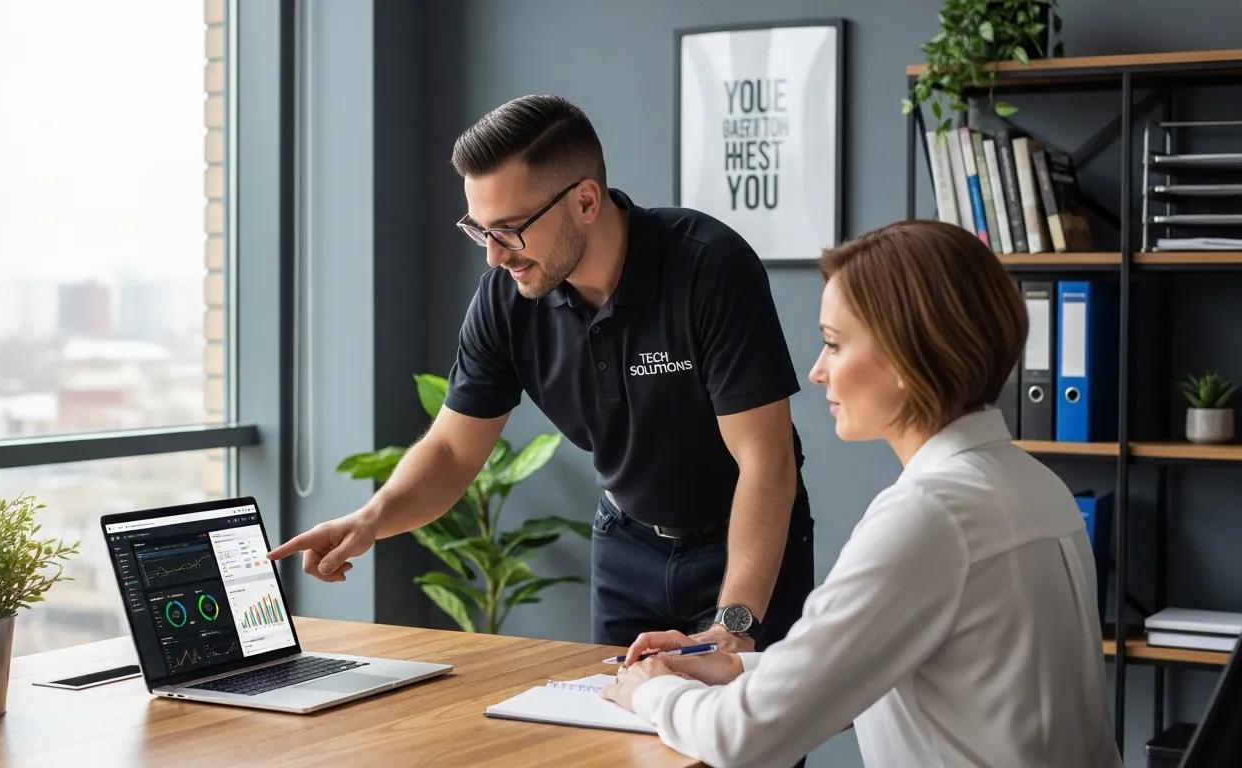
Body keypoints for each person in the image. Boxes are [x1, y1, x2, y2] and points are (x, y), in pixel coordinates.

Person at [267, 94, 814, 656]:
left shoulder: (707, 267)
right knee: (613, 738)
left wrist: (735, 624)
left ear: (584, 201)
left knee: (742, 741)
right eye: (480, 231)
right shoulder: (506, 300)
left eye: (509, 229)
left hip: (745, 547)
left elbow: (764, 461)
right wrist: (371, 518)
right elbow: (454, 451)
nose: (494, 257)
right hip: (626, 546)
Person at [601, 220, 1120, 768]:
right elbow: (893, 669)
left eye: (833, 344)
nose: (817, 371)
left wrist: (650, 691)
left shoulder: (930, 517)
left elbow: (742, 738)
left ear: (907, 355)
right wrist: (734, 668)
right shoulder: (1034, 486)